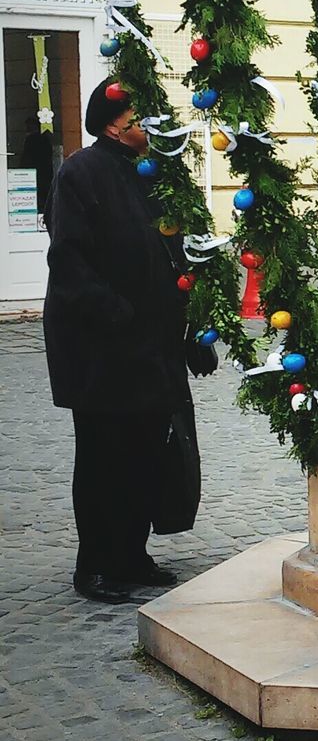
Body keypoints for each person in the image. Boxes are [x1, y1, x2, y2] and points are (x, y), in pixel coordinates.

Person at [43, 80, 211, 603]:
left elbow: (180, 256)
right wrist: (117, 313)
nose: (152, 127)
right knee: (102, 456)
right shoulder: (80, 173)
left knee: (145, 452)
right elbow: (69, 260)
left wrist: (192, 328)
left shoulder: (155, 176)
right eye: (143, 118)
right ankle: (94, 564)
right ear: (117, 124)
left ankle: (132, 554)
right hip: (101, 347)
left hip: (152, 345)